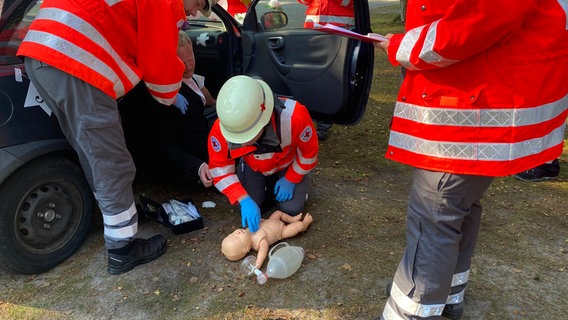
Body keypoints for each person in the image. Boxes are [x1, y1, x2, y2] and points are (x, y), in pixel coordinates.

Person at [372, 1, 568, 319]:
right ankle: (448, 297)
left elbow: (471, 25)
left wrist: (399, 45)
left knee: (435, 212)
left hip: (471, 111)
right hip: (480, 104)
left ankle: (411, 312)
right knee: (458, 207)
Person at [17, 0, 218, 275]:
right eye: (199, 3)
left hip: (44, 55)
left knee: (92, 153)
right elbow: (158, 61)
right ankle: (123, 249)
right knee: (113, 162)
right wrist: (173, 97)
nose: (196, 12)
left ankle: (115, 222)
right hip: (77, 60)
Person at [208, 75, 319, 233]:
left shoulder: (294, 117)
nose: (243, 143)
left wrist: (292, 178)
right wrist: (243, 198)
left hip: (287, 164)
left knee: (292, 209)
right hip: (254, 166)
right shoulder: (225, 127)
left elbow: (309, 154)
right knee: (251, 205)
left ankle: (296, 182)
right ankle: (260, 185)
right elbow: (219, 169)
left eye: (247, 136)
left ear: (265, 119)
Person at [120, 30, 216, 187]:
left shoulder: (191, 80)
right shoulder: (166, 97)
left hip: (204, 139)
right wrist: (198, 166)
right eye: (181, 62)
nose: (188, 66)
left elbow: (206, 96)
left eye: (190, 59)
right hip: (193, 155)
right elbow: (165, 145)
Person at [298, 0, 355, 141]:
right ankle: (310, 114)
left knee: (331, 77)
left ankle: (324, 121)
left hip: (340, 30)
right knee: (311, 75)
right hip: (313, 28)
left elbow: (350, 2)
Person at [221, 210, 313, 268]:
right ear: (247, 248)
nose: (237, 233)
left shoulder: (247, 232)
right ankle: (305, 224)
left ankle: (292, 219)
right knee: (299, 226)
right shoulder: (258, 243)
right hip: (281, 231)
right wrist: (257, 264)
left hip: (270, 220)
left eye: (231, 234)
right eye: (237, 238)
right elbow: (263, 252)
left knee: (278, 213)